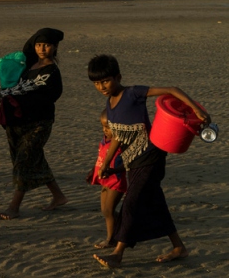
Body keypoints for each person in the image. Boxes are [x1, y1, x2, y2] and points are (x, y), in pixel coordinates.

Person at [88, 54, 209, 268]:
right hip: (132, 162)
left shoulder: (133, 93)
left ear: (118, 77)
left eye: (105, 81)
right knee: (155, 203)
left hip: (151, 156)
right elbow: (117, 135)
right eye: (97, 83)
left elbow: (172, 90)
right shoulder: (110, 103)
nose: (102, 86)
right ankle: (179, 247)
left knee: (131, 204)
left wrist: (197, 110)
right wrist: (107, 163)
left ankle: (118, 252)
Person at [0, 28, 68, 219]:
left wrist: (15, 93)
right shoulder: (26, 66)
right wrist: (4, 93)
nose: (42, 48)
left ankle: (14, 207)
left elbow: (48, 96)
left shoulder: (51, 72)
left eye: (46, 45)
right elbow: (10, 85)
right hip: (17, 121)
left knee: (24, 161)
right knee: (34, 159)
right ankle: (58, 196)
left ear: (55, 47)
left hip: (40, 123)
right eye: (38, 45)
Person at [88, 108, 126, 249]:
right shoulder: (104, 141)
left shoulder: (121, 144)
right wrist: (93, 171)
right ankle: (122, 228)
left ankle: (111, 239)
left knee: (109, 210)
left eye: (108, 128)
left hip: (116, 180)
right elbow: (101, 157)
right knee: (105, 210)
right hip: (105, 180)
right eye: (103, 127)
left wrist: (114, 170)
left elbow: (127, 164)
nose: (105, 130)